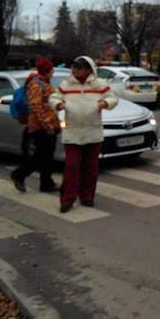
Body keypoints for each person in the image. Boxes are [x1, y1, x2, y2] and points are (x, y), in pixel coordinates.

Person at [50, 56, 118, 213]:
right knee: (71, 167)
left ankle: (87, 197)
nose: (75, 70)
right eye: (74, 67)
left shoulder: (99, 85)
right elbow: (54, 98)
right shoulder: (66, 84)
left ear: (89, 69)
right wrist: (58, 104)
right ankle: (67, 199)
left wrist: (104, 103)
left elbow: (112, 98)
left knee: (90, 168)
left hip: (92, 131)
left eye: (79, 68)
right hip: (72, 132)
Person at [11, 57, 60, 193]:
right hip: (41, 127)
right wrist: (47, 125)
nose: (53, 72)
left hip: (47, 124)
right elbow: (36, 107)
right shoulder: (37, 84)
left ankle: (46, 183)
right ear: (47, 71)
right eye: (52, 70)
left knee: (46, 156)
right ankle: (19, 174)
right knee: (41, 155)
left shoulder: (43, 82)